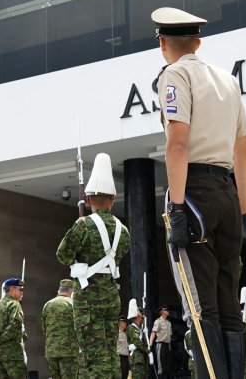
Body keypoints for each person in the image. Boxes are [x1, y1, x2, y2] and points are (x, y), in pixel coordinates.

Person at [154, 7, 246, 378]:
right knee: (228, 305)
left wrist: (177, 208)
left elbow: (177, 145)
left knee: (200, 308)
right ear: (198, 42)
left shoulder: (174, 74)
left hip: (193, 192)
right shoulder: (228, 81)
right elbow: (242, 152)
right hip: (228, 193)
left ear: (162, 44)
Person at [56, 152, 130, 377]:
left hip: (88, 299)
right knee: (110, 352)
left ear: (88, 200)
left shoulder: (83, 225)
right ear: (112, 199)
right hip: (111, 297)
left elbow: (62, 255)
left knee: (91, 355)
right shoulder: (123, 230)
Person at [0, 277, 27, 378]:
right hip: (12, 355)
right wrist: (0, 340)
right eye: (20, 289)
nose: (22, 293)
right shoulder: (14, 305)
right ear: (12, 289)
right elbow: (14, 325)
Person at [42, 279, 79, 379]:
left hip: (51, 350)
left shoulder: (47, 304)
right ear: (71, 291)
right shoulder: (73, 304)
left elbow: (44, 328)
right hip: (69, 351)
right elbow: (79, 327)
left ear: (59, 290)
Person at [129, 300, 151, 379]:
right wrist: (148, 351)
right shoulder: (132, 327)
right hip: (136, 359)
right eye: (141, 315)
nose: (142, 317)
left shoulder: (139, 328)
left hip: (140, 358)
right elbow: (137, 342)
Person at [150, 305, 173, 379]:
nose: (168, 311)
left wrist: (169, 347)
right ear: (162, 312)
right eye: (166, 310)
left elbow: (169, 336)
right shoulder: (158, 321)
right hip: (160, 345)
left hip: (167, 346)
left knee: (168, 368)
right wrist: (150, 344)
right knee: (161, 368)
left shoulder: (169, 323)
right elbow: (153, 333)